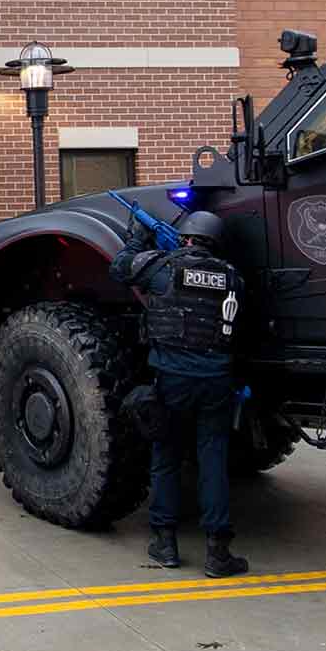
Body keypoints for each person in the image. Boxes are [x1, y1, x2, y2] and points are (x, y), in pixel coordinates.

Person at [112, 208, 250, 578]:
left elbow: (120, 268)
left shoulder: (165, 268)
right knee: (213, 462)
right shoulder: (233, 277)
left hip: (173, 379)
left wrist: (139, 239)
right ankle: (218, 552)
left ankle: (165, 543)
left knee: (167, 458)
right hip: (218, 381)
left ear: (185, 237)